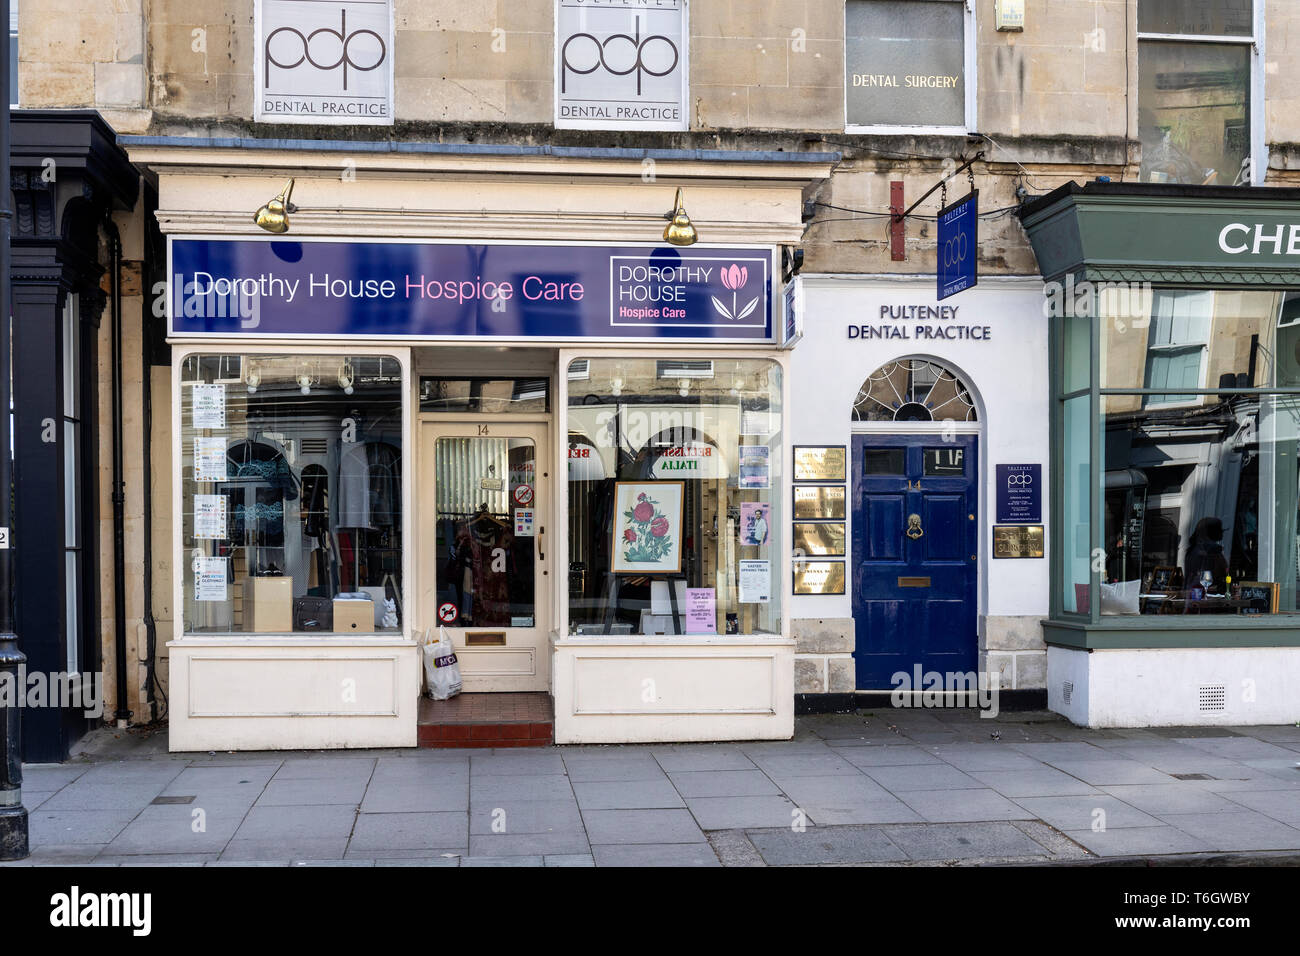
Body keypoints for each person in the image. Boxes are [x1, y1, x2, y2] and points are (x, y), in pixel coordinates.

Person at [1184, 517, 1229, 594]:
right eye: (1219, 530)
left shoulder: (1193, 549)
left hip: (1194, 593)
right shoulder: (1211, 550)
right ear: (1213, 532)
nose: (1222, 533)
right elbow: (1221, 573)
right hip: (1206, 595)